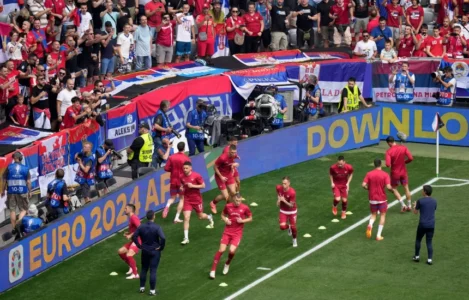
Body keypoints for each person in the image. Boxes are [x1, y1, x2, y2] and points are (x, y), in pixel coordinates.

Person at [210, 193, 252, 279]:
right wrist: (225, 220)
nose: (238, 203)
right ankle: (213, 270)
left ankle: (227, 263)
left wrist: (243, 221)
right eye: (237, 201)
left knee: (231, 251)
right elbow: (222, 215)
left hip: (237, 233)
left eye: (240, 201)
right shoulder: (228, 206)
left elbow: (250, 218)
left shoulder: (245, 208)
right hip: (227, 232)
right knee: (221, 250)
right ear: (233, 199)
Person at [132, 210, 166, 296]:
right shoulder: (157, 227)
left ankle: (142, 288)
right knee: (153, 270)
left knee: (144, 269)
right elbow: (163, 238)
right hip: (155, 251)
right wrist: (161, 247)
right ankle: (152, 291)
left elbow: (134, 236)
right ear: (154, 216)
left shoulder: (141, 227)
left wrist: (139, 245)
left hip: (145, 250)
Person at [180, 161, 214, 245]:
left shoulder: (196, 176)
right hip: (187, 199)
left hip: (197, 200)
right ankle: (186, 238)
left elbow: (203, 185)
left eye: (186, 168)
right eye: (184, 168)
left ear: (190, 168)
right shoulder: (181, 177)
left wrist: (193, 186)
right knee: (186, 217)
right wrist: (181, 188)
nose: (185, 170)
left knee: (200, 216)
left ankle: (209, 217)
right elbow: (182, 185)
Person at [362, 158, 393, 241]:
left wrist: (368, 188)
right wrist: (392, 190)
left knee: (373, 214)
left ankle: (370, 225)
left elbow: (363, 184)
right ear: (381, 164)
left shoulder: (369, 174)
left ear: (374, 164)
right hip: (382, 198)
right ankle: (378, 235)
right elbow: (388, 186)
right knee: (382, 215)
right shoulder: (385, 174)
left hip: (372, 197)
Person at [1, 152, 31, 230]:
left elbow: (4, 179)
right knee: (24, 209)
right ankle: (18, 223)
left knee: (12, 210)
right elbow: (28, 182)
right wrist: (30, 191)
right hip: (22, 192)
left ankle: (14, 229)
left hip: (11, 192)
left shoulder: (9, 167)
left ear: (15, 158)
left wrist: (3, 190)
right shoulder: (25, 168)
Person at [163, 142, 190, 222]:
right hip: (181, 182)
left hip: (173, 181)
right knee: (182, 199)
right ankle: (176, 217)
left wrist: (173, 169)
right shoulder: (186, 158)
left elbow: (166, 168)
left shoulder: (172, 157)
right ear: (184, 148)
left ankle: (167, 206)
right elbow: (188, 171)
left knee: (172, 198)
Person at [385, 135, 413, 212]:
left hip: (395, 174)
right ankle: (409, 205)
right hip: (403, 173)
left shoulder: (389, 151)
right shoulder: (403, 148)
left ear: (389, 143)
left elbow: (387, 164)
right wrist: (404, 162)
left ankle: (403, 205)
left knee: (393, 188)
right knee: (406, 188)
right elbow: (411, 158)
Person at [210, 144, 239, 214]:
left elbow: (234, 162)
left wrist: (235, 164)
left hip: (229, 175)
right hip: (220, 177)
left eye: (235, 152)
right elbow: (215, 167)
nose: (234, 154)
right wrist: (221, 177)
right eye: (232, 153)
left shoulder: (234, 155)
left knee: (233, 193)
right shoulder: (222, 158)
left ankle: (230, 208)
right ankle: (213, 203)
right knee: (225, 196)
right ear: (229, 151)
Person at [412, 185, 437, 265]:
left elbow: (415, 212)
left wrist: (415, 206)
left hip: (422, 225)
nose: (422, 191)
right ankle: (429, 259)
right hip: (431, 225)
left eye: (423, 190)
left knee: (418, 240)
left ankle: (416, 256)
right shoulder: (434, 201)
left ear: (425, 192)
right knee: (429, 242)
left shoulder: (420, 201)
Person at [118, 204, 141, 279]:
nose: (124, 210)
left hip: (138, 240)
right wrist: (128, 233)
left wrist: (130, 235)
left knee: (129, 255)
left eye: (126, 208)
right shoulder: (131, 218)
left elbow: (140, 228)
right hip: (134, 240)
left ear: (130, 210)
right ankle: (132, 266)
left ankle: (135, 274)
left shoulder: (134, 217)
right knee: (120, 251)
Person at [329, 155, 354, 220]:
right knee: (337, 199)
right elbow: (331, 174)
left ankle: (343, 212)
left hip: (344, 185)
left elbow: (351, 174)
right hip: (336, 185)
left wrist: (348, 183)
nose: (340, 165)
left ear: (344, 162)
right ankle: (334, 206)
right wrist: (332, 182)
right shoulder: (333, 167)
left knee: (344, 200)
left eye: (341, 164)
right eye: (338, 164)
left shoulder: (349, 167)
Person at [276, 176, 298, 247]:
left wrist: (284, 200)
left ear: (289, 183)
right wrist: (279, 200)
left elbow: (291, 205)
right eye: (283, 183)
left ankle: (294, 240)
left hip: (292, 211)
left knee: (294, 228)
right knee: (282, 227)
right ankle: (288, 227)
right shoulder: (279, 188)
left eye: (285, 184)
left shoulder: (292, 192)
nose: (283, 185)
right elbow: (278, 199)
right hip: (283, 211)